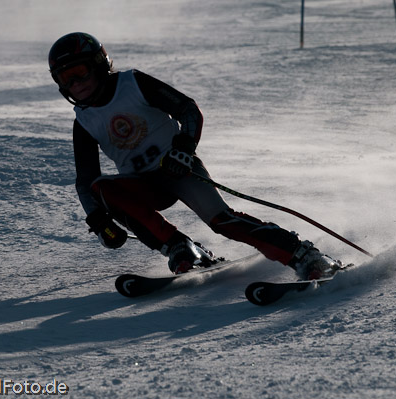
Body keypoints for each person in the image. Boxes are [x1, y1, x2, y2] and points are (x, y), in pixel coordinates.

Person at [48, 32, 339, 279]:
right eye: (66, 79)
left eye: (79, 73)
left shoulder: (132, 84)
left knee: (221, 220)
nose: (76, 85)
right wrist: (99, 221)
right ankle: (178, 246)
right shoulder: (84, 121)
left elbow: (187, 110)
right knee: (102, 188)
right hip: (143, 185)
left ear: (99, 64)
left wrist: (183, 150)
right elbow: (86, 181)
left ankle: (303, 255)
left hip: (177, 168)